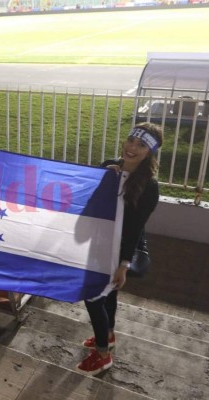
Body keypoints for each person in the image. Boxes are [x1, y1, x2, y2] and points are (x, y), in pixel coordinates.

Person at [77, 122, 164, 376]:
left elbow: (135, 228)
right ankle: (109, 335)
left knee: (93, 296)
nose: (132, 148)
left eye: (140, 145)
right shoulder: (108, 166)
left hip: (127, 247)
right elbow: (89, 201)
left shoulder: (150, 186)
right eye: (130, 141)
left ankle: (103, 356)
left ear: (150, 152)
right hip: (100, 241)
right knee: (108, 294)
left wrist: (123, 264)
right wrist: (106, 180)